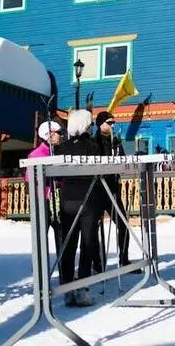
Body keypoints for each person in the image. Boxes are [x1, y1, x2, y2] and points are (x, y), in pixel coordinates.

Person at [57, 109, 102, 307]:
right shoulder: (93, 145)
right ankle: (82, 289)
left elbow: (57, 175)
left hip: (68, 199)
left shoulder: (62, 147)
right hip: (88, 199)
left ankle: (67, 288)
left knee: (68, 244)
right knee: (87, 244)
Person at [92, 111, 140, 274]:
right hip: (97, 189)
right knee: (93, 227)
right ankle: (97, 263)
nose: (112, 126)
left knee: (123, 223)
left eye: (113, 123)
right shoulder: (94, 142)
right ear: (100, 124)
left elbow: (123, 160)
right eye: (109, 123)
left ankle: (124, 259)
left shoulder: (116, 141)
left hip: (112, 189)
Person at [26, 119, 66, 283]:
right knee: (41, 238)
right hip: (42, 201)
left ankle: (64, 272)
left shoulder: (53, 153)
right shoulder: (37, 154)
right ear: (48, 135)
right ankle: (40, 275)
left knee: (61, 237)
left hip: (55, 200)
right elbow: (30, 177)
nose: (61, 136)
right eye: (59, 133)